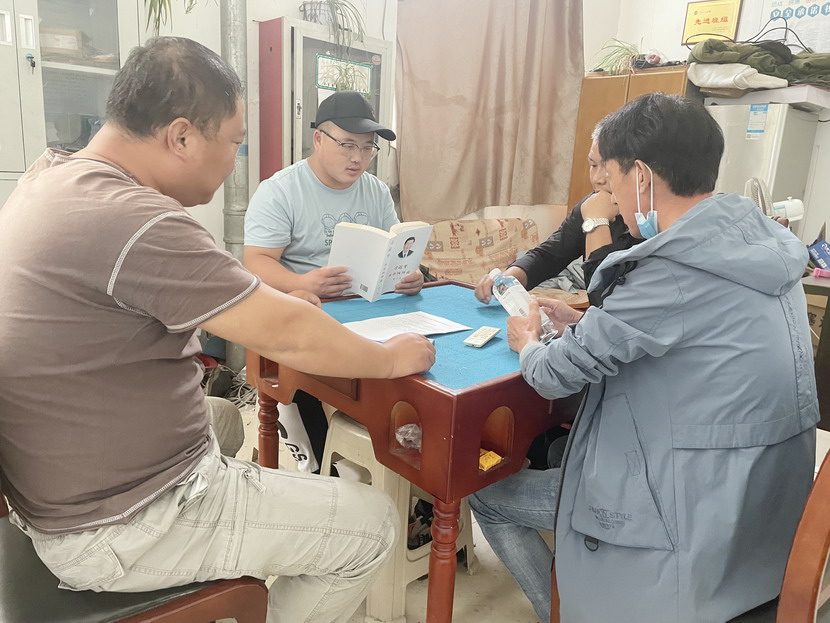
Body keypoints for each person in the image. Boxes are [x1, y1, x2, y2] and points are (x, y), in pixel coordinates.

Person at [0, 37, 435, 623]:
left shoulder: (53, 175)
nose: (236, 160)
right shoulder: (135, 220)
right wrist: (392, 359)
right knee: (373, 525)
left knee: (226, 418)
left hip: (61, 481)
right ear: (181, 136)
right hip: (116, 522)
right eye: (234, 142)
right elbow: (285, 330)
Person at [468, 93, 819, 623]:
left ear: (641, 176)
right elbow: (683, 337)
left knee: (488, 495)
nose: (609, 199)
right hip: (759, 502)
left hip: (686, 505)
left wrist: (528, 340)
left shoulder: (671, 268)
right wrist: (582, 325)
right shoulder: (760, 247)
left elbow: (553, 375)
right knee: (560, 450)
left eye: (610, 183)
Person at [244, 90, 424, 473]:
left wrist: (407, 274)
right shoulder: (280, 191)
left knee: (416, 364)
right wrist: (301, 282)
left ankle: (403, 465)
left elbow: (395, 247)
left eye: (367, 147)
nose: (358, 158)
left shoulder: (375, 190)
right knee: (317, 386)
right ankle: (323, 468)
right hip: (308, 314)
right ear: (318, 139)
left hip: (369, 312)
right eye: (347, 145)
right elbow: (255, 262)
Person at [474, 125, 639, 307]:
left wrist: (596, 221)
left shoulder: (649, 221)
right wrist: (510, 277)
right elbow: (551, 254)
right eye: (593, 165)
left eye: (607, 168)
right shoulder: (592, 204)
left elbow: (608, 300)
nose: (597, 179)